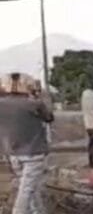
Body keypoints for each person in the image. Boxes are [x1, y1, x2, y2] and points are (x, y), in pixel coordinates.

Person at [0, 74, 54, 214]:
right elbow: (49, 117)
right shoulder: (34, 104)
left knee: (31, 189)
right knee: (26, 191)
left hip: (12, 153)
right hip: (34, 152)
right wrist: (39, 96)